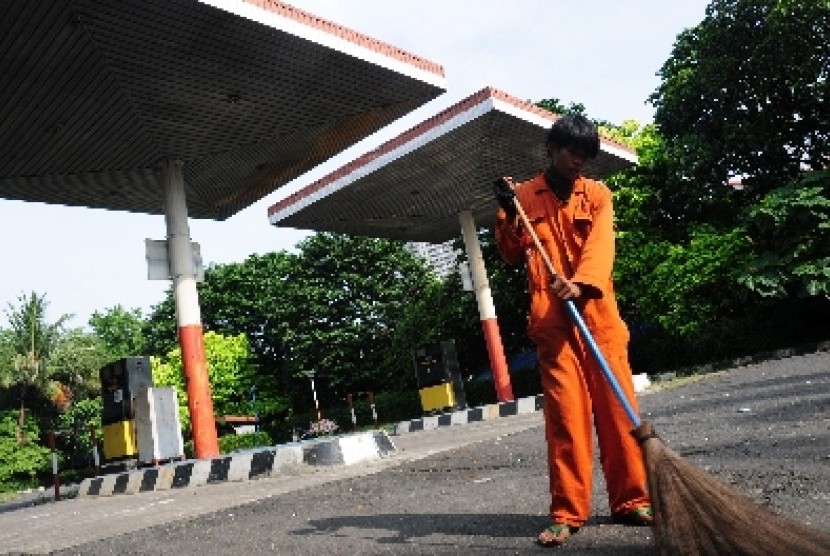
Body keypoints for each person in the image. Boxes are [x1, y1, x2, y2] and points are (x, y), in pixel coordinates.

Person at [493, 114, 652, 547]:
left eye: (586, 155)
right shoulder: (524, 198)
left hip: (599, 320)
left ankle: (633, 499)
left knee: (620, 414)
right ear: (552, 148)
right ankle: (567, 511)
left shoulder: (598, 195)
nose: (578, 162)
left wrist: (580, 284)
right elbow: (509, 253)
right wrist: (508, 211)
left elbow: (601, 247)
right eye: (571, 153)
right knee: (567, 420)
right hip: (554, 328)